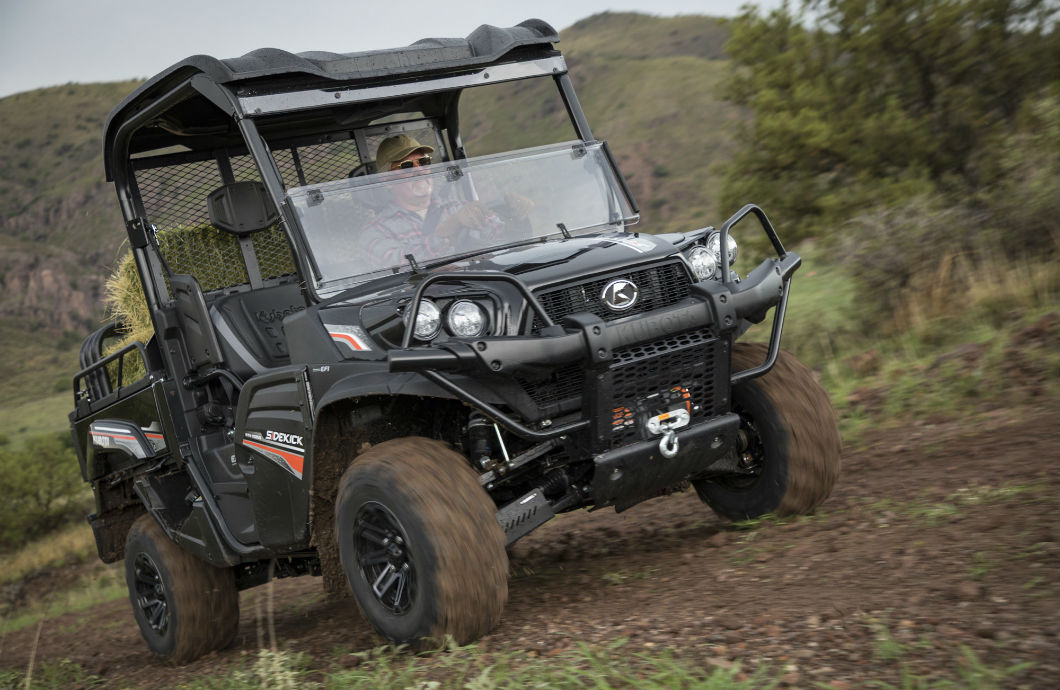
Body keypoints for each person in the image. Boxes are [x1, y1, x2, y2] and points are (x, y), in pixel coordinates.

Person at [364, 134, 501, 266]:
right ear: (387, 180)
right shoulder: (375, 231)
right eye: (407, 166)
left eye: (424, 162)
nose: (420, 171)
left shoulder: (455, 206)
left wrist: (516, 214)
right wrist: (442, 235)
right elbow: (400, 267)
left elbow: (500, 234)